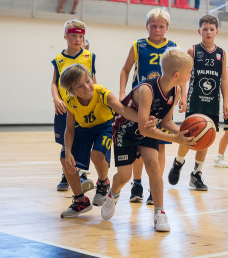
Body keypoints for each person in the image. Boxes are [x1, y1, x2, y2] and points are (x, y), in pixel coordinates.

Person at [101, 48, 195, 232]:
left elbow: (166, 121)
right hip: (125, 131)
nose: (190, 76)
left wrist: (184, 134)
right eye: (188, 73)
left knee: (154, 165)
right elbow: (144, 126)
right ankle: (112, 194)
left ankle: (159, 213)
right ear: (177, 74)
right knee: (124, 176)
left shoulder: (175, 91)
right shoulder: (147, 90)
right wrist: (176, 139)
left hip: (146, 131)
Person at [59, 64, 157, 217]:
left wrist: (142, 119)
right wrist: (69, 151)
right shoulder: (70, 101)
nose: (87, 87)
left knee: (97, 155)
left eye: (88, 81)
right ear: (71, 91)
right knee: (65, 158)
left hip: (105, 126)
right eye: (80, 86)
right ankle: (80, 202)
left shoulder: (102, 93)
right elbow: (70, 129)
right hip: (83, 128)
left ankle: (103, 183)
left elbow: (123, 110)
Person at [119, 8, 181, 205]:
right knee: (139, 145)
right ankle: (136, 184)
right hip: (140, 102)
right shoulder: (138, 45)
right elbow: (125, 70)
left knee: (160, 146)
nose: (157, 29)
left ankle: (155, 187)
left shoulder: (173, 47)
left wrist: (184, 96)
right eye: (153, 26)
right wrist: (122, 93)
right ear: (147, 26)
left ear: (167, 28)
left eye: (161, 26)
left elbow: (179, 75)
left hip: (162, 102)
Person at [168, 15, 228, 190]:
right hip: (195, 101)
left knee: (206, 138)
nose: (208, 32)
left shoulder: (222, 53)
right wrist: (182, 97)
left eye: (211, 29)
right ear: (199, 31)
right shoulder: (193, 50)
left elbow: (224, 81)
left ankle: (196, 175)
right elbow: (184, 76)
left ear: (216, 32)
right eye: (205, 29)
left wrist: (226, 102)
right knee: (188, 136)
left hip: (212, 104)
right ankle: (178, 163)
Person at [51, 20, 96, 193]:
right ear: (65, 36)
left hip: (84, 106)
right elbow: (54, 83)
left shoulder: (89, 56)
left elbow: (94, 80)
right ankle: (66, 173)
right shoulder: (59, 59)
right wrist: (56, 98)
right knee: (66, 142)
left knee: (83, 141)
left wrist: (96, 100)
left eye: (80, 36)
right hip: (65, 108)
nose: (77, 39)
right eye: (73, 36)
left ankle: (82, 172)